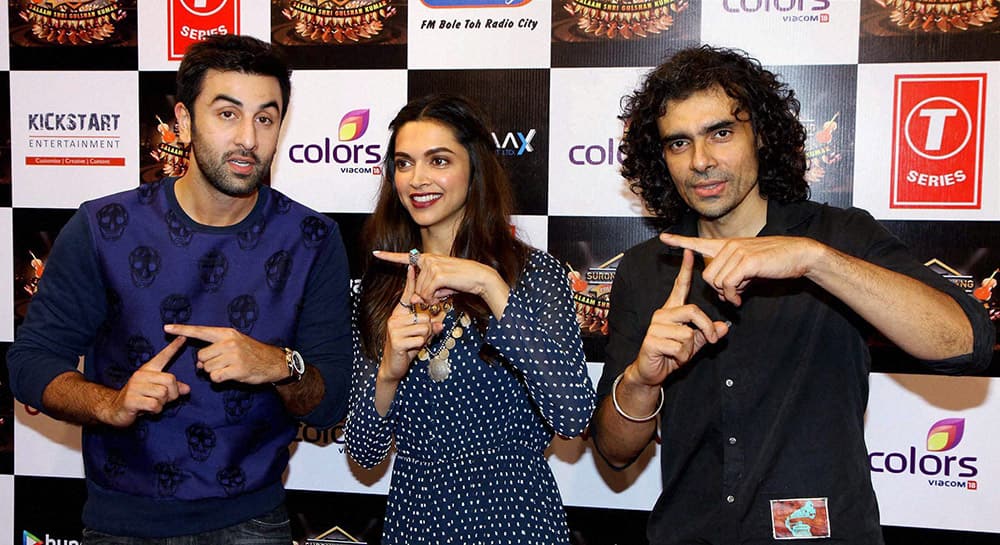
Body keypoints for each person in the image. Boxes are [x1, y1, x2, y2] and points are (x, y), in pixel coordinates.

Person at [591, 45, 994, 545]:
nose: (701, 161)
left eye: (721, 133)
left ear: (759, 135)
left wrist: (815, 261)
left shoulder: (837, 236)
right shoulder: (645, 267)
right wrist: (641, 380)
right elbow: (614, 452)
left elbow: (965, 343)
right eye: (678, 143)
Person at [6, 35, 352, 543]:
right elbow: (30, 363)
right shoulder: (105, 226)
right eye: (228, 114)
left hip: (253, 522)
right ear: (185, 122)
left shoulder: (312, 239)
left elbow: (328, 403)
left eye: (265, 117)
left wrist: (277, 365)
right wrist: (110, 403)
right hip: (122, 522)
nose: (249, 140)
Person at [344, 94, 595, 545]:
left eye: (438, 160)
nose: (417, 179)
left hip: (517, 522)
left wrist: (489, 285)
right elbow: (363, 452)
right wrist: (388, 371)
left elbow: (573, 415)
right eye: (403, 163)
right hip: (415, 523)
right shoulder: (382, 286)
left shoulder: (535, 275)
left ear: (474, 169)